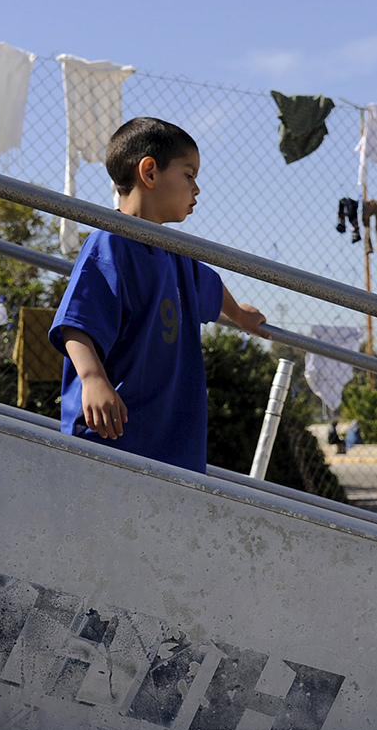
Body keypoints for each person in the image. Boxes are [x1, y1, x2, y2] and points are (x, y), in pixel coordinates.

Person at [50, 116, 266, 472]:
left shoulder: (176, 253)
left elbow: (209, 284)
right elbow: (77, 324)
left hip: (169, 442)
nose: (196, 189)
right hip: (114, 433)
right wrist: (92, 380)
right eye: (189, 175)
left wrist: (239, 315)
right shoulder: (110, 245)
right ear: (149, 172)